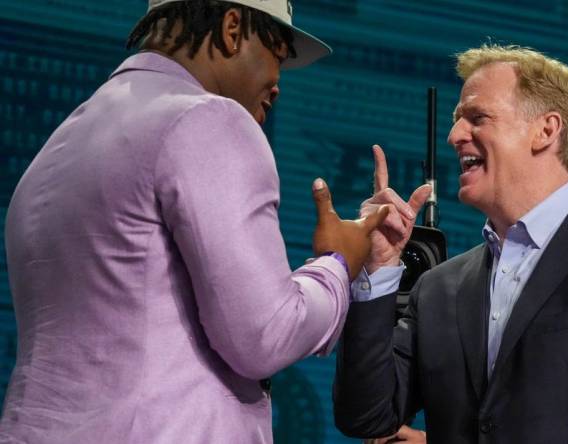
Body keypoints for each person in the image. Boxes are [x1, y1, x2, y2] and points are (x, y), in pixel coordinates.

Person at [0, 1, 391, 442]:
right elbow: (266, 334)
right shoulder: (208, 119)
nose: (278, 83)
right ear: (230, 29)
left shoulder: (61, 144)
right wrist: (339, 263)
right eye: (277, 55)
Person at [334, 44, 568, 443]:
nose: (454, 135)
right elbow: (365, 415)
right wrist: (376, 269)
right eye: (456, 120)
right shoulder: (438, 288)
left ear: (546, 130)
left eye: (477, 117)